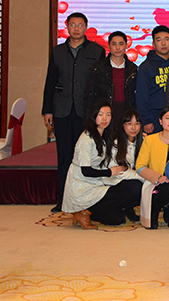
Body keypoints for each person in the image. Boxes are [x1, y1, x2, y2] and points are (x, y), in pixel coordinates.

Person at [42, 12, 105, 213]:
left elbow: (101, 84)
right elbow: (50, 82)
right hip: (62, 110)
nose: (76, 28)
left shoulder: (97, 51)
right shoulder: (57, 51)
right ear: (67, 27)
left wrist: (100, 112)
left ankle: (85, 199)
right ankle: (62, 200)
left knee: (85, 157)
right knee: (64, 156)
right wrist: (47, 110)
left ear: (86, 27)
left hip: (86, 112)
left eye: (80, 25)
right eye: (73, 25)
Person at [62, 101, 136, 227]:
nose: (104, 119)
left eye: (108, 115)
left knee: (118, 218)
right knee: (119, 197)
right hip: (82, 184)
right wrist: (110, 172)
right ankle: (83, 212)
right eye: (100, 114)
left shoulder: (104, 135)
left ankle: (86, 212)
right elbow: (86, 171)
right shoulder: (86, 139)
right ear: (94, 116)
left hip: (96, 180)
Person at [83, 31, 138, 125]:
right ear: (108, 46)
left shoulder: (133, 69)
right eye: (114, 44)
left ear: (126, 46)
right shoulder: (98, 68)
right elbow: (89, 96)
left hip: (126, 116)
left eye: (121, 44)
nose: (117, 48)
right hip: (104, 116)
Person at [136, 25, 169, 134]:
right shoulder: (146, 67)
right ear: (153, 44)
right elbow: (141, 96)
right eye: (159, 40)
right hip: (154, 118)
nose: (163, 43)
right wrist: (147, 120)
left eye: (166, 39)